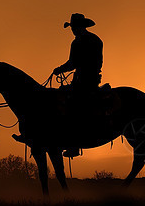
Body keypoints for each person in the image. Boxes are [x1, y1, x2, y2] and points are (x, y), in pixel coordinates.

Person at [13, 13, 104, 158]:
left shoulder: (83, 42)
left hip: (87, 79)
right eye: (72, 27)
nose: (73, 30)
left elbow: (73, 63)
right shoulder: (92, 40)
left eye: (74, 27)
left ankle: (74, 145)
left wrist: (60, 69)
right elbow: (78, 63)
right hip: (84, 78)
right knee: (61, 97)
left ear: (81, 26)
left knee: (73, 104)